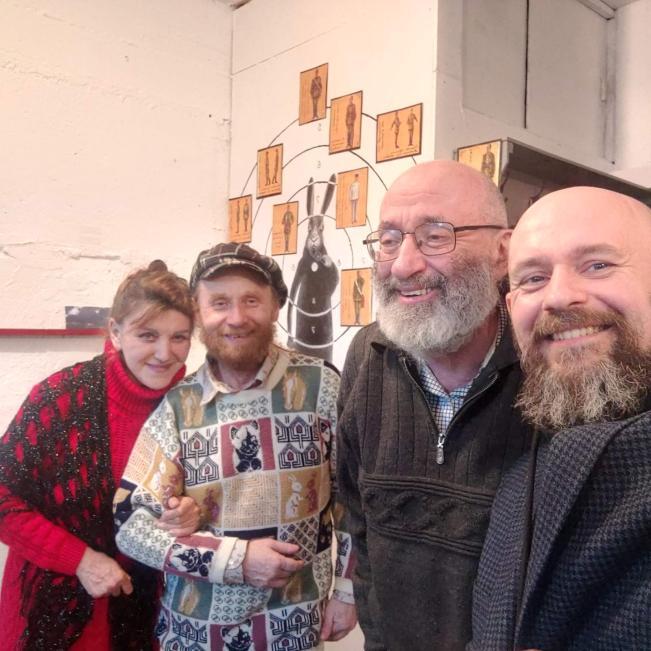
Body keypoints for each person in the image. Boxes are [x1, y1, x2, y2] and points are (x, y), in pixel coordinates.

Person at [114, 243, 357, 650]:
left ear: (276, 306)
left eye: (251, 301)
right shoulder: (180, 405)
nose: (237, 317)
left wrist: (348, 593)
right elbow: (129, 525)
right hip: (196, 633)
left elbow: (353, 498)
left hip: (292, 628)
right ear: (198, 312)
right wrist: (236, 561)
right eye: (220, 303)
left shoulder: (321, 386)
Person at [337, 160, 533, 650]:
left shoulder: (547, 371)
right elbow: (360, 520)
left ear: (502, 253)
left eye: (435, 236)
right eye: (389, 239)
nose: (403, 265)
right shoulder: (367, 355)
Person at [470, 187, 651, 651]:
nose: (559, 297)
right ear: (511, 308)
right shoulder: (522, 469)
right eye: (533, 278)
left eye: (598, 265)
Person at [0, 261, 200, 650]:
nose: (165, 353)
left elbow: (212, 493)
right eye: (148, 335)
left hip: (151, 615)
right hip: (55, 614)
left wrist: (193, 511)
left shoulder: (193, 404)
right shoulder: (61, 398)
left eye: (179, 337)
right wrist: (79, 559)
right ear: (116, 332)